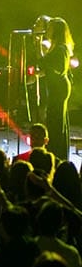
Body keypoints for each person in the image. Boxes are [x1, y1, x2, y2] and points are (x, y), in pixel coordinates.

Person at [39, 17, 73, 161]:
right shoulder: (56, 47)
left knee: (56, 121)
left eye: (50, 28)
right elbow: (47, 66)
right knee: (56, 120)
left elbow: (54, 67)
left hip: (59, 88)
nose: (47, 30)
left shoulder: (61, 48)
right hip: (56, 87)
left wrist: (38, 47)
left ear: (56, 31)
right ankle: (57, 153)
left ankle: (57, 155)